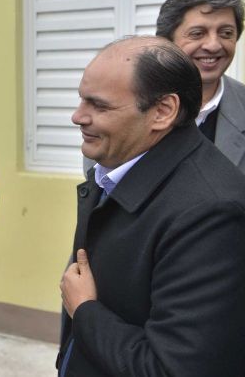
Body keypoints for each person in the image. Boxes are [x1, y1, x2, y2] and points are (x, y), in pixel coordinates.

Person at [58, 36, 245, 376]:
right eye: (81, 100)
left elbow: (170, 368)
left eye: (99, 106)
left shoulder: (211, 213)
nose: (78, 116)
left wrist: (85, 310)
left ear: (162, 112)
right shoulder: (115, 168)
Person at [156, 0, 245, 171]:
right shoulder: (128, 102)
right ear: (166, 41)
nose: (213, 45)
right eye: (197, 33)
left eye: (226, 33)